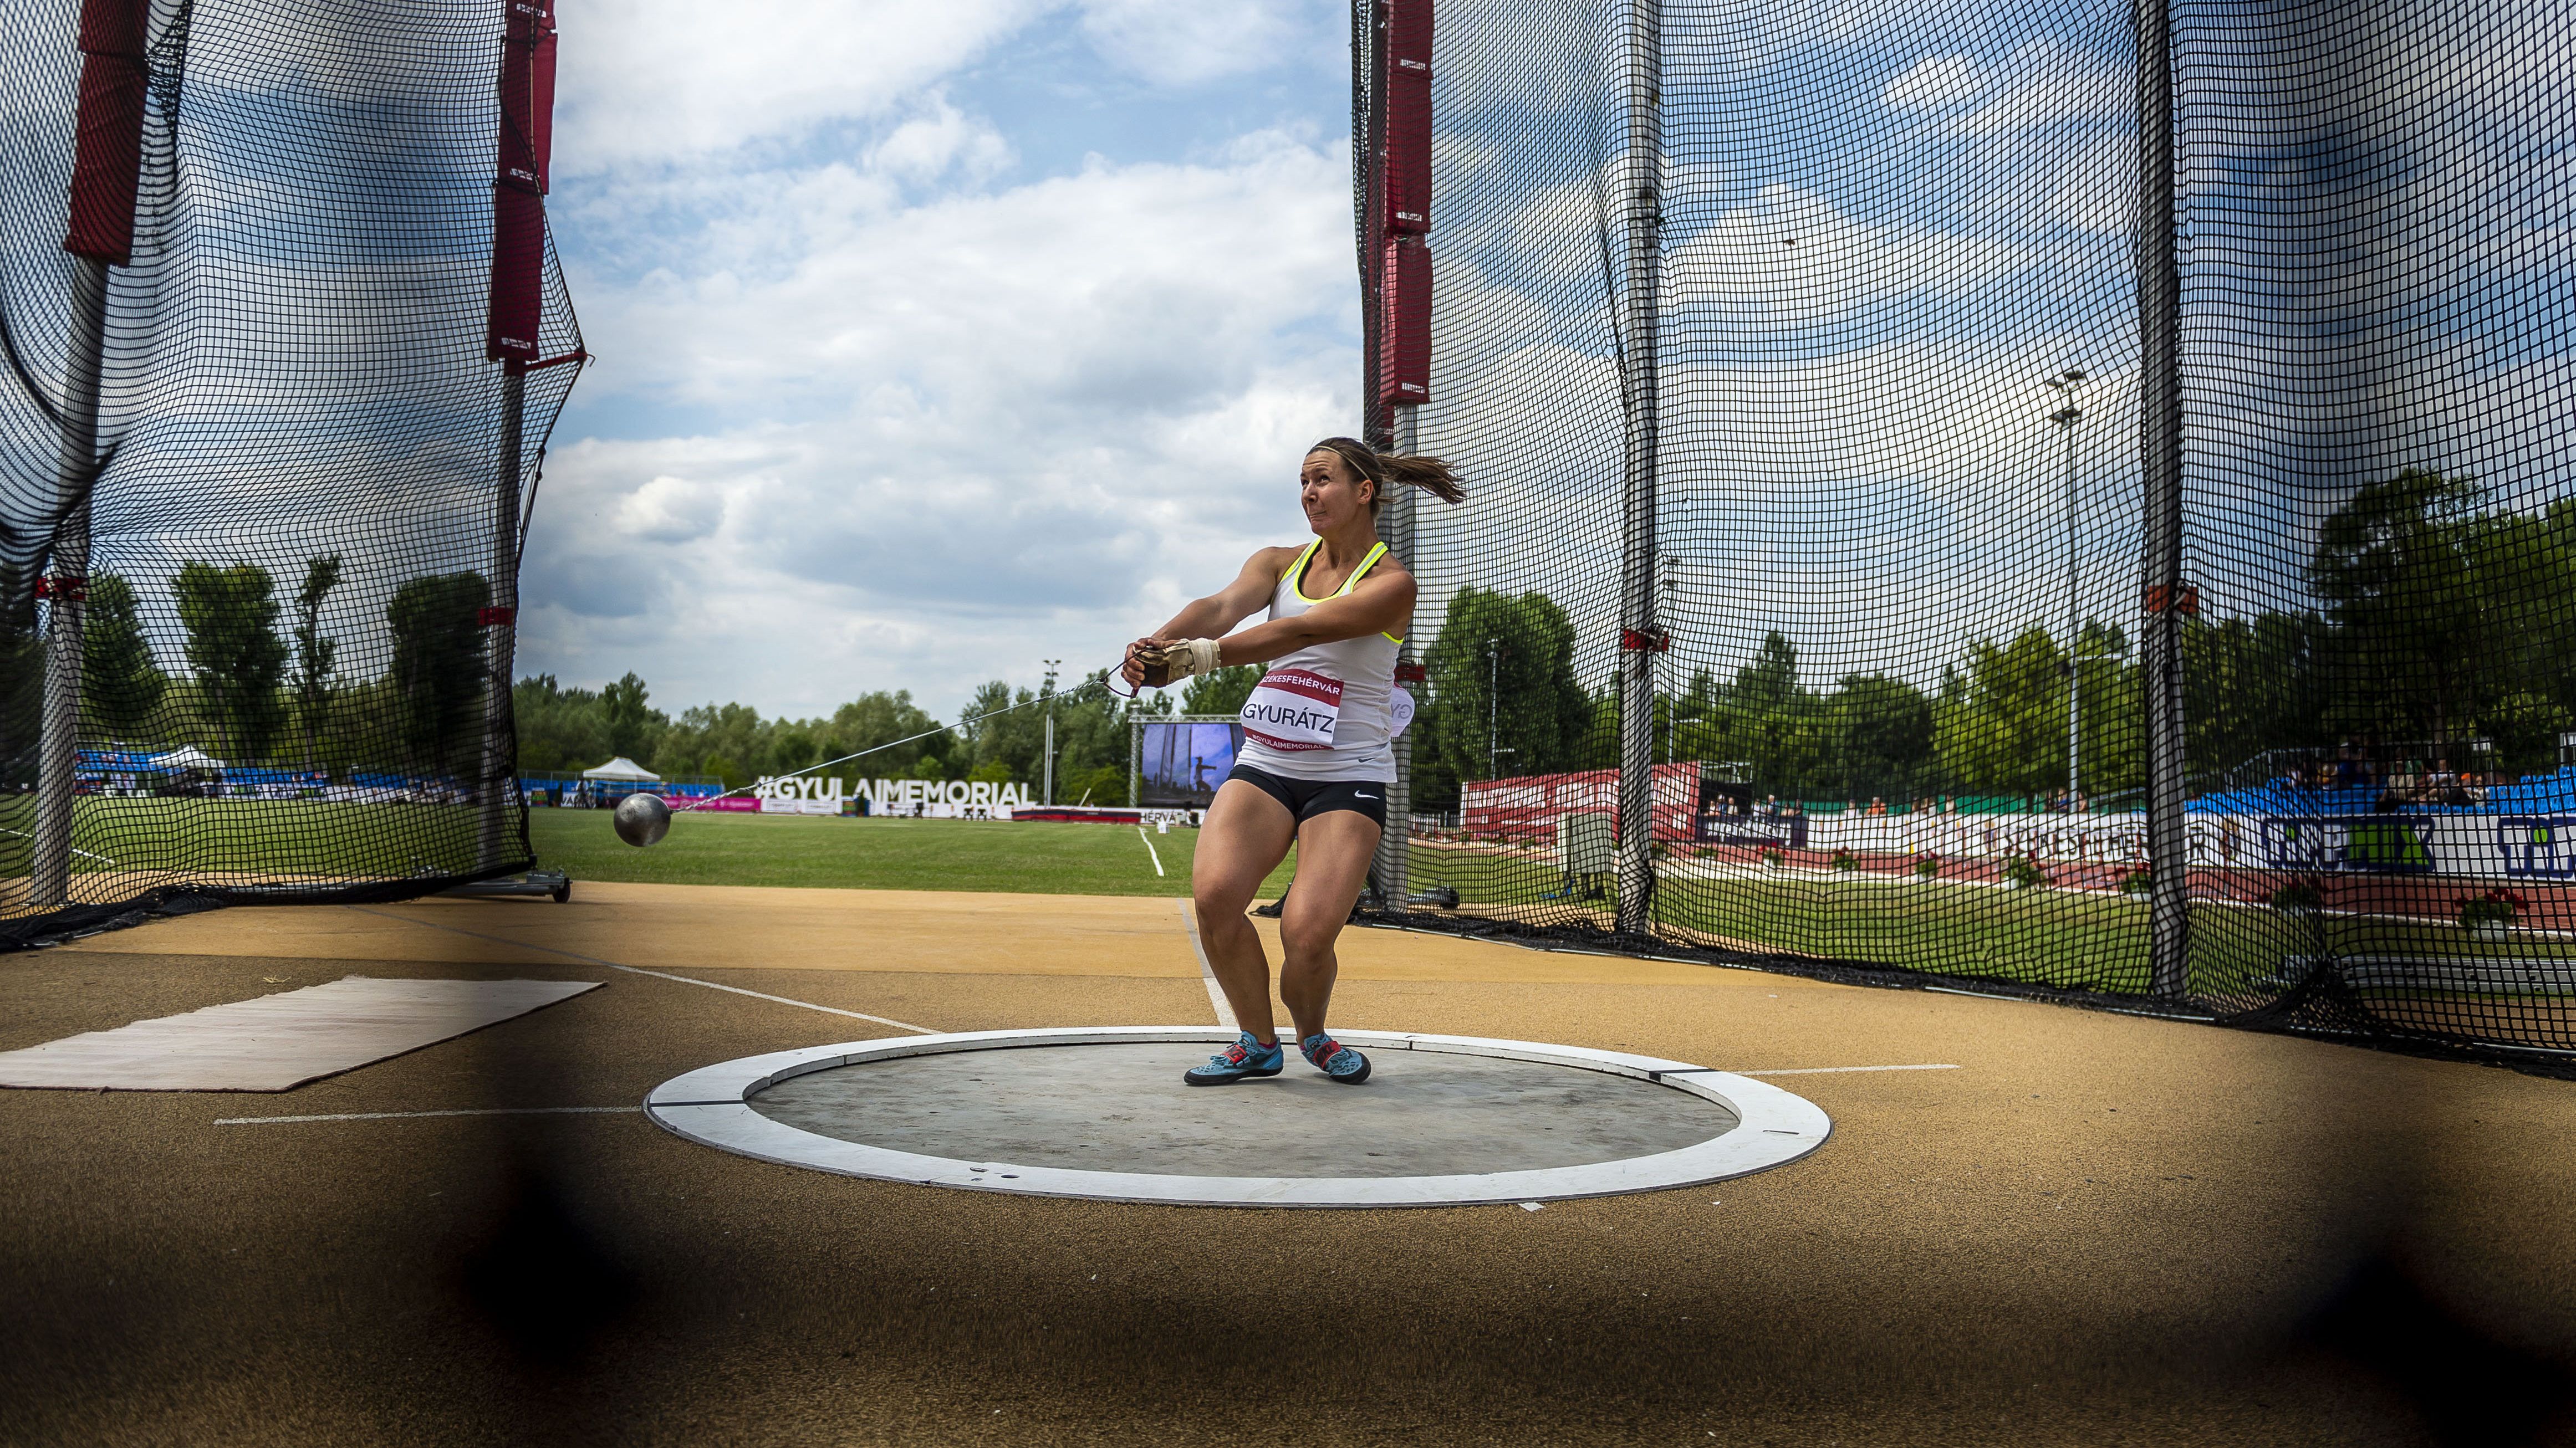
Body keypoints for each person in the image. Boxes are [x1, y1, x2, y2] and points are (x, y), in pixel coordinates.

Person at [1123, 436, 1466, 1087]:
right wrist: (1160, 641)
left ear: (1364, 491)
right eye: (1303, 482)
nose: (1309, 493)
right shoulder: (1278, 563)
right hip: (1268, 762)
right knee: (1217, 897)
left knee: (1308, 935)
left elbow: (1304, 631)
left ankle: (1312, 1034)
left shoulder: (1393, 584)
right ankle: (1256, 1043)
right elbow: (1220, 608)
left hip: (1348, 773)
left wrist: (1203, 657)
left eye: (1323, 480)